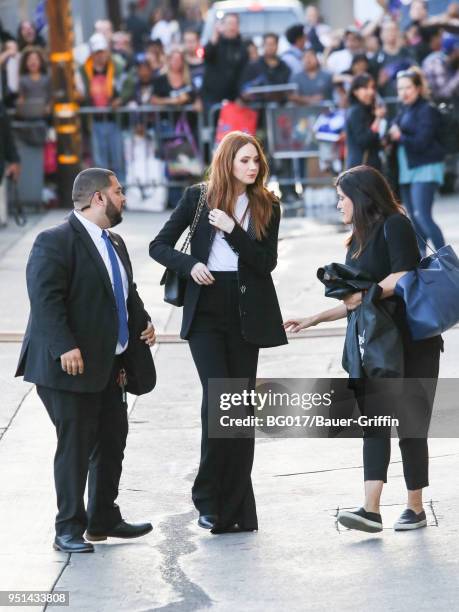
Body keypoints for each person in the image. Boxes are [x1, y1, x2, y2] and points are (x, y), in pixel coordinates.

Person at [284, 165, 443, 533]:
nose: (339, 204)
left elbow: (403, 275)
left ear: (362, 197)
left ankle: (415, 508)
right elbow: (356, 302)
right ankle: (371, 509)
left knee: (410, 424)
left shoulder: (394, 224)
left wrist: (366, 294)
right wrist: (313, 319)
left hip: (412, 341)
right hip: (376, 345)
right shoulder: (357, 239)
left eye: (342, 197)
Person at [149, 132, 287, 533]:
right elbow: (159, 246)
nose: (252, 167)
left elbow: (265, 264)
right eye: (244, 160)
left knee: (240, 408)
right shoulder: (198, 197)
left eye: (256, 161)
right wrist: (189, 265)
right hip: (206, 306)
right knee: (219, 399)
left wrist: (232, 229)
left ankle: (237, 505)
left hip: (246, 309)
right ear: (227, 162)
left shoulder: (268, 204)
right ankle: (208, 497)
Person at [15, 168, 157, 553]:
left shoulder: (115, 242)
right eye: (118, 191)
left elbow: (125, 292)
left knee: (112, 440)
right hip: (67, 366)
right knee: (76, 445)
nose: (124, 198)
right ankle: (68, 529)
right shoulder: (55, 241)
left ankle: (102, 517)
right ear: (98, 198)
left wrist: (142, 322)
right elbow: (45, 300)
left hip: (109, 365)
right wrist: (64, 346)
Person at [389, 68, 446, 256]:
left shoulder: (427, 110)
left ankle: (448, 261)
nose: (403, 92)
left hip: (425, 166)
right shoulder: (404, 109)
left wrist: (400, 136)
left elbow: (422, 141)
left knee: (423, 216)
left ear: (419, 88)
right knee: (413, 218)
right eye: (400, 89)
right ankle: (422, 260)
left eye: (408, 88)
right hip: (408, 169)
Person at [75, 33, 126, 184]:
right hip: (94, 120)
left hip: (113, 119)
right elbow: (81, 93)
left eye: (102, 51)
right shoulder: (83, 70)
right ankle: (102, 195)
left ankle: (121, 190)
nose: (100, 55)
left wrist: (120, 99)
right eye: (97, 52)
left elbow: (126, 86)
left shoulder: (117, 67)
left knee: (118, 159)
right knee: (99, 162)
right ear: (92, 53)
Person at [201, 13, 248, 111]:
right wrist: (214, 37)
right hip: (213, 98)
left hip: (233, 99)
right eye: (229, 24)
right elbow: (206, 56)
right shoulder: (215, 43)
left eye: (234, 24)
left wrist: (240, 96)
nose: (231, 27)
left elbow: (243, 73)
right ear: (223, 26)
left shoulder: (242, 48)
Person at [345, 73, 386, 170]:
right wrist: (378, 119)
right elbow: (364, 140)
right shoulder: (356, 111)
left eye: (372, 87)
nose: (371, 92)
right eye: (365, 88)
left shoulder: (367, 110)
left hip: (366, 167)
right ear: (355, 91)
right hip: (361, 168)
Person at [240, 33, 291, 101]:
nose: (270, 47)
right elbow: (245, 90)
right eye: (267, 44)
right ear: (263, 45)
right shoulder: (253, 66)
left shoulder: (284, 67)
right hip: (258, 107)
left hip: (280, 107)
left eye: (273, 44)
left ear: (277, 45)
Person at [16, 46, 51, 119]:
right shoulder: (22, 80)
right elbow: (21, 98)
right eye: (30, 59)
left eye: (36, 59)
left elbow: (51, 97)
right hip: (29, 114)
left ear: (41, 62)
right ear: (25, 63)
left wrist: (49, 107)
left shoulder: (47, 79)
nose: (33, 62)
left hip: (45, 114)